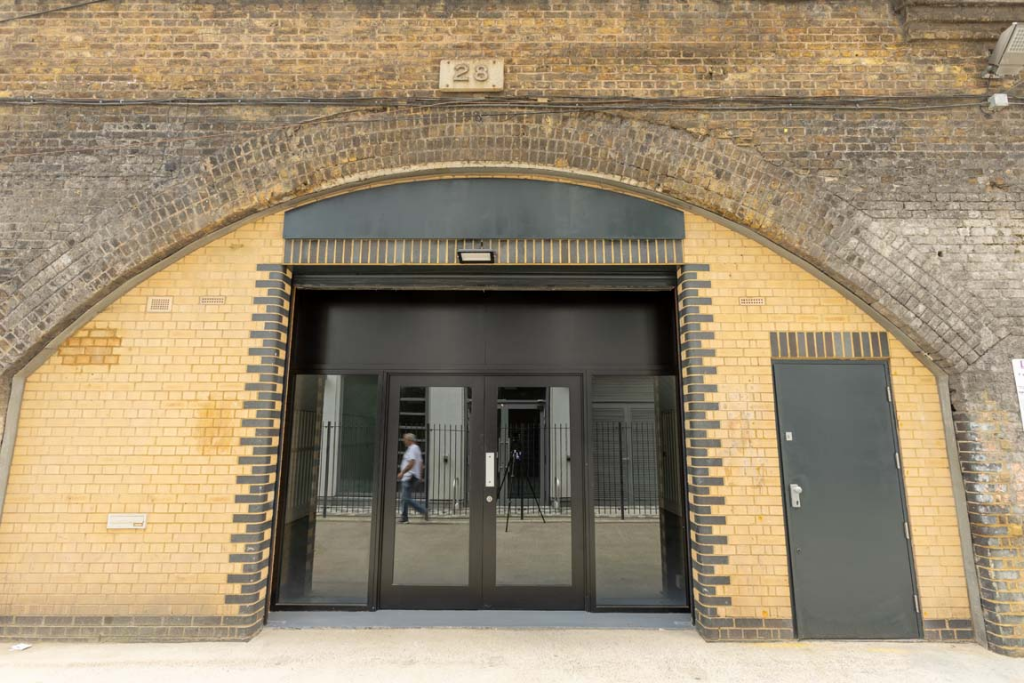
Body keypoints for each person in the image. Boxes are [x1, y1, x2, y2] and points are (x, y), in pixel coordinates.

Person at [397, 433, 428, 523]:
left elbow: (411, 463)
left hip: (409, 476)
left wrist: (402, 473)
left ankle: (423, 510)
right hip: (413, 476)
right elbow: (421, 464)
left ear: (409, 440)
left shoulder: (412, 448)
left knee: (406, 498)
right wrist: (420, 476)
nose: (404, 441)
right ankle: (404, 517)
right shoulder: (416, 449)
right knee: (405, 497)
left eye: (405, 439)